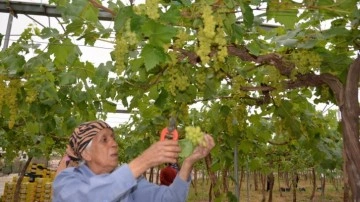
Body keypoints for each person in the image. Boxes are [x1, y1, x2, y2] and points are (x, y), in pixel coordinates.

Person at [53, 120, 215, 202]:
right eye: (104, 140)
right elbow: (91, 197)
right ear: (86, 154)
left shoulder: (132, 183)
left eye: (113, 138)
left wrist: (188, 163)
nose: (114, 143)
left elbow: (170, 200)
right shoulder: (67, 181)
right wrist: (144, 161)